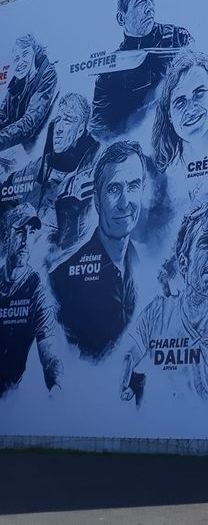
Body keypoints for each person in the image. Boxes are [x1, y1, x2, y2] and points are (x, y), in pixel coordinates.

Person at [120, 191, 208, 410]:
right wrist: (126, 369)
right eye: (206, 243)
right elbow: (132, 351)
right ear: (184, 263)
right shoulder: (158, 313)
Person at [50, 141, 146, 360]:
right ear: (96, 200)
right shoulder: (61, 282)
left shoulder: (152, 275)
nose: (125, 202)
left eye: (133, 186)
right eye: (114, 189)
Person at [90, 0, 193, 137]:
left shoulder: (177, 39)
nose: (150, 7)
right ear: (121, 18)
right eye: (141, 1)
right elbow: (100, 129)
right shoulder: (110, 70)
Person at [3, 93, 100, 260]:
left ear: (80, 130)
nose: (59, 129)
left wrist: (70, 207)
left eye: (68, 120)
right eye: (59, 119)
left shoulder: (93, 174)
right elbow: (7, 190)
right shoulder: (38, 166)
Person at [0, 203, 62, 398]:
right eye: (19, 232)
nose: (26, 241)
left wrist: (57, 386)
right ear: (5, 236)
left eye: (31, 232)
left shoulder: (35, 289)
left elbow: (49, 350)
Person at [151, 51, 208, 174]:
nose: (191, 109)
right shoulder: (160, 175)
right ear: (169, 114)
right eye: (180, 102)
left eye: (199, 93)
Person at [0, 34, 58, 154]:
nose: (20, 62)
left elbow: (29, 123)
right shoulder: (16, 82)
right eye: (16, 59)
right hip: (13, 148)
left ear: (35, 53)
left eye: (25, 54)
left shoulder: (47, 75)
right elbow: (2, 115)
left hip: (32, 152)